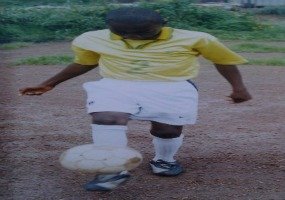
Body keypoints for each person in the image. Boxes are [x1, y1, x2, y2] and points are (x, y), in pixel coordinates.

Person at [19, 7, 252, 191]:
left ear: (163, 23)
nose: (133, 37)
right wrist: (49, 83)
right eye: (124, 33)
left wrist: (238, 87)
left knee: (167, 130)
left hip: (172, 86)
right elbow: (85, 62)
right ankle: (112, 169)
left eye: (143, 32)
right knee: (106, 117)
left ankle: (164, 160)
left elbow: (223, 60)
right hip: (116, 84)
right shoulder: (91, 38)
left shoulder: (197, 38)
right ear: (111, 27)